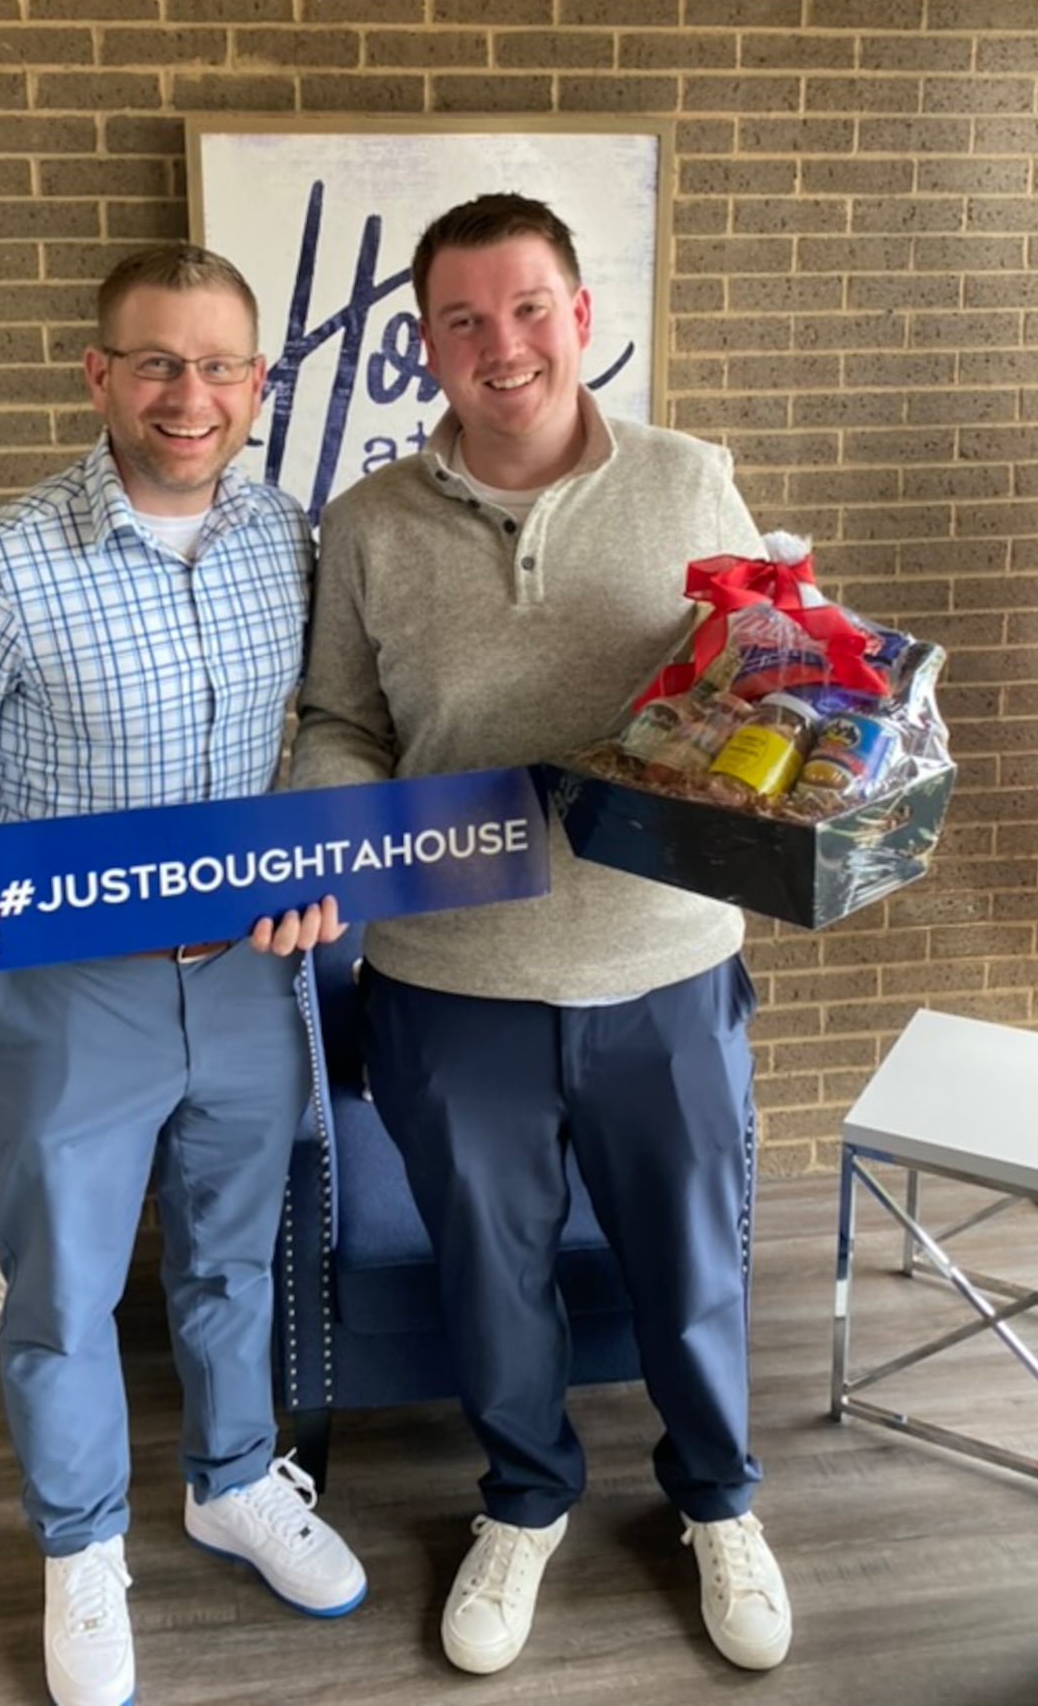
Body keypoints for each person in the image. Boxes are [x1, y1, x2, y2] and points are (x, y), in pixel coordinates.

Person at [291, 193, 791, 1677]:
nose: (500, 345)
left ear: (580, 315)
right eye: (462, 319)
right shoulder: (368, 523)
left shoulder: (692, 477)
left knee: (691, 1260)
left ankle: (718, 1500)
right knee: (487, 1270)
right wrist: (333, 837)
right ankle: (523, 1499)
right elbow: (341, 720)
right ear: (426, 343)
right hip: (450, 983)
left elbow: (767, 672)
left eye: (527, 309)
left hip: (664, 964)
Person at [0, 245, 366, 1706]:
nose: (187, 393)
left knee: (227, 1253)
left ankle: (227, 1482)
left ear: (258, 384)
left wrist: (326, 852)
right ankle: (81, 1549)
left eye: (219, 364)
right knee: (67, 1290)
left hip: (253, 979)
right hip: (73, 990)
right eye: (155, 361)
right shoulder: (4, 562)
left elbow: (330, 726)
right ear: (99, 374)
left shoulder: (288, 537)